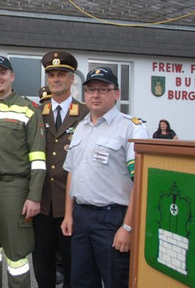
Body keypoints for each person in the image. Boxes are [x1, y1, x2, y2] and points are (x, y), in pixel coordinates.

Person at [61, 67, 149, 288]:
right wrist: (69, 215)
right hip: (81, 217)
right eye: (90, 89)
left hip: (112, 219)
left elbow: (140, 182)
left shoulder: (131, 128)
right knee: (81, 281)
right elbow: (72, 172)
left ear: (116, 93)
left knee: (115, 280)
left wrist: (128, 227)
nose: (95, 95)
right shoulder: (80, 128)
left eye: (103, 89)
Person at [0, 55, 46, 288]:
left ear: (12, 76)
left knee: (17, 257)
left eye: (2, 73)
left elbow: (38, 158)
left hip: (14, 189)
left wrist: (34, 196)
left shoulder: (28, 109)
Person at [32, 51, 89, 288]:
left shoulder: (85, 113)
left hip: (71, 203)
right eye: (52, 75)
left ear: (72, 78)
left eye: (62, 74)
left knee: (72, 263)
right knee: (42, 262)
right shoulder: (35, 113)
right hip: (43, 202)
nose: (56, 79)